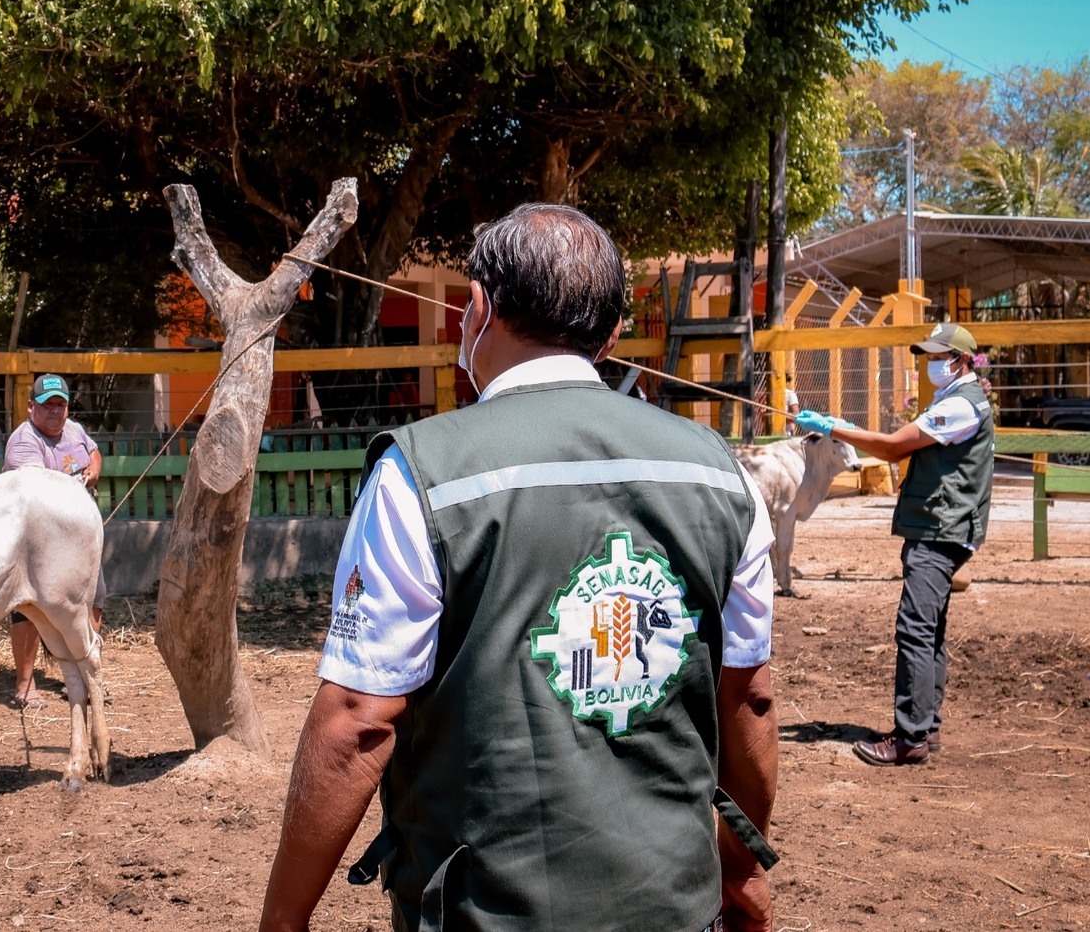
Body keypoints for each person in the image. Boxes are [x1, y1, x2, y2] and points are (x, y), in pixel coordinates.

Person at [259, 205, 780, 932]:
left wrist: (283, 920)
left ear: (477, 308)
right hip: (672, 903)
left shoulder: (421, 473)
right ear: (614, 333)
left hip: (485, 907)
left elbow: (355, 721)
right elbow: (748, 697)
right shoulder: (723, 476)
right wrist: (740, 864)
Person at [796, 322, 993, 767]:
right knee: (931, 630)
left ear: (960, 360)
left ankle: (909, 738)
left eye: (936, 357)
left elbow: (892, 449)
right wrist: (841, 427)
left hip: (939, 528)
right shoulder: (956, 399)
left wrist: (836, 428)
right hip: (940, 524)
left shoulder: (961, 406)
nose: (929, 364)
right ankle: (926, 725)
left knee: (915, 630)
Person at [0, 373, 105, 706]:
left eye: (60, 405)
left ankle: (87, 675)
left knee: (94, 595)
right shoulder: (24, 442)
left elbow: (94, 452)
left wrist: (94, 471)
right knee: (29, 607)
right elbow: (40, 495)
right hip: (33, 540)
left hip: (76, 535)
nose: (54, 412)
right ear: (31, 407)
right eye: (47, 406)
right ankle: (25, 684)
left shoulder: (73, 430)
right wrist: (76, 487)